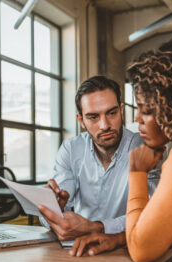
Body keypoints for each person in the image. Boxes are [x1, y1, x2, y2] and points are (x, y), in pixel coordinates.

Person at [69, 35, 172, 262]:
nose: (136, 119)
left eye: (145, 110)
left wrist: (137, 172)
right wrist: (118, 239)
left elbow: (142, 250)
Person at [38, 75, 159, 243]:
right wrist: (53, 206)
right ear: (81, 120)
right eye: (93, 117)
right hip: (80, 246)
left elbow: (153, 214)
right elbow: (55, 214)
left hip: (128, 247)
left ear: (121, 110)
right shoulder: (71, 149)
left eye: (112, 113)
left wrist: (99, 228)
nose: (105, 125)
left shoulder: (146, 146)